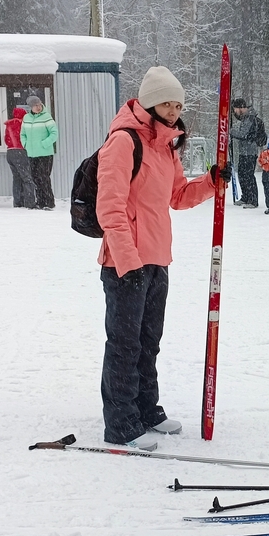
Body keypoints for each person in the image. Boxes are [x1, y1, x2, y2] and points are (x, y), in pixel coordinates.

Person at [95, 66, 229, 451]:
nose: (174, 110)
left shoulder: (165, 146)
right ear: (150, 101)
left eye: (179, 104)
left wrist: (211, 180)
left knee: (148, 340)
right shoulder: (123, 142)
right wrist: (128, 261)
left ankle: (145, 407)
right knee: (124, 343)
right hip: (125, 262)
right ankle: (120, 422)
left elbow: (177, 196)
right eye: (168, 102)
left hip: (157, 259)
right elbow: (111, 207)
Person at [21, 95, 58, 209]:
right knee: (35, 178)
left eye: (39, 104)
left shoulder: (47, 117)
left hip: (45, 154)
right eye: (35, 105)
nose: (38, 107)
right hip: (32, 154)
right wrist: (25, 144)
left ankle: (49, 202)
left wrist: (44, 144)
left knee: (44, 177)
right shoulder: (26, 118)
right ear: (30, 107)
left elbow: (54, 134)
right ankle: (40, 201)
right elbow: (23, 134)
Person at [230, 98, 266, 209]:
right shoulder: (246, 118)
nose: (235, 112)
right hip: (244, 152)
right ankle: (245, 197)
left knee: (248, 176)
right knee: (242, 174)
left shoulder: (250, 118)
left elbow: (243, 134)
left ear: (241, 108)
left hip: (250, 152)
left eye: (235, 110)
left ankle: (253, 200)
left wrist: (229, 131)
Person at [4, 106, 37, 209]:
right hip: (20, 152)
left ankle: (17, 202)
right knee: (27, 178)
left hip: (10, 152)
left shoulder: (9, 125)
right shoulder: (23, 124)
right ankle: (30, 203)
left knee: (16, 178)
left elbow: (6, 140)